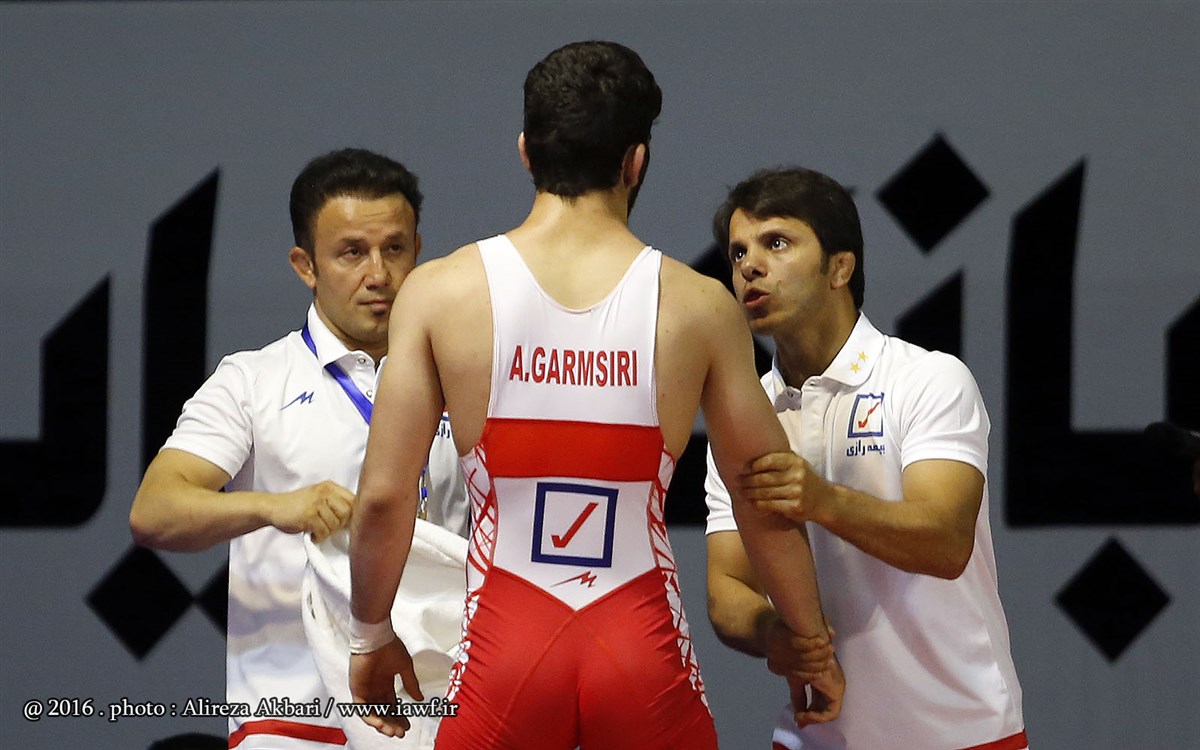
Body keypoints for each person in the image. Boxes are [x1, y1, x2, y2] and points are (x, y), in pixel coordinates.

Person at [346, 42, 841, 749]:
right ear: (635, 161)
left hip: (504, 649)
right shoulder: (698, 306)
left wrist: (369, 634)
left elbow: (384, 498)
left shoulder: (438, 292)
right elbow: (761, 494)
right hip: (638, 645)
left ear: (526, 152)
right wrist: (811, 645)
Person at [130, 148, 468, 749]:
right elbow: (155, 511)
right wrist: (273, 506)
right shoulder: (253, 380)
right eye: (351, 252)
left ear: (418, 251)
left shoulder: (466, 382)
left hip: (442, 718)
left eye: (394, 248)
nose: (378, 274)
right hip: (296, 725)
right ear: (305, 266)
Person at [704, 166, 1028, 750]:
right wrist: (775, 635)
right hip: (816, 737)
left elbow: (946, 543)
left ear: (840, 267)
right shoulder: (743, 417)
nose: (749, 266)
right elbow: (727, 585)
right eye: (738, 252)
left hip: (962, 734)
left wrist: (822, 500)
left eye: (777, 242)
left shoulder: (928, 379)